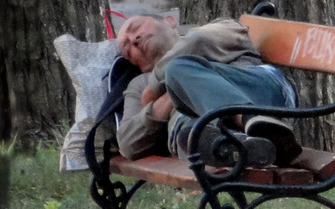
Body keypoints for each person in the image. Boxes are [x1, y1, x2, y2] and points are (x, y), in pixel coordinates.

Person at [112, 15, 302, 167]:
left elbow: (199, 40)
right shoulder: (138, 84)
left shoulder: (220, 27)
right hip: (204, 131)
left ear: (169, 21)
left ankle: (251, 121)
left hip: (263, 94)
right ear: (138, 65)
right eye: (127, 49)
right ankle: (253, 145)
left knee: (178, 69)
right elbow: (128, 143)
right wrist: (173, 92)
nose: (133, 40)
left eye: (135, 27)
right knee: (191, 133)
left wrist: (158, 86)